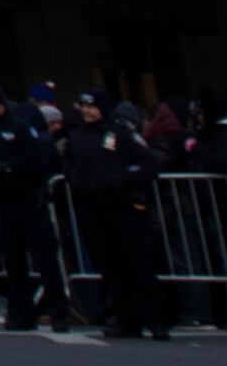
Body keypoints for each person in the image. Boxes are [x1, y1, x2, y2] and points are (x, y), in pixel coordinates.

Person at [0, 79, 68, 331]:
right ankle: (22, 313)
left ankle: (59, 313)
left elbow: (36, 161)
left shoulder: (20, 128)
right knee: (13, 261)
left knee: (44, 259)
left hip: (28, 201)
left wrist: (8, 167)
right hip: (0, 203)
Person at [66, 97, 171, 340]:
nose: (88, 111)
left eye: (92, 106)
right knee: (110, 268)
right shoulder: (78, 137)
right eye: (84, 107)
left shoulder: (120, 133)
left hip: (124, 207)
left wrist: (125, 179)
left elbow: (147, 162)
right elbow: (69, 165)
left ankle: (155, 319)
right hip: (94, 207)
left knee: (139, 264)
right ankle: (126, 319)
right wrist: (77, 180)